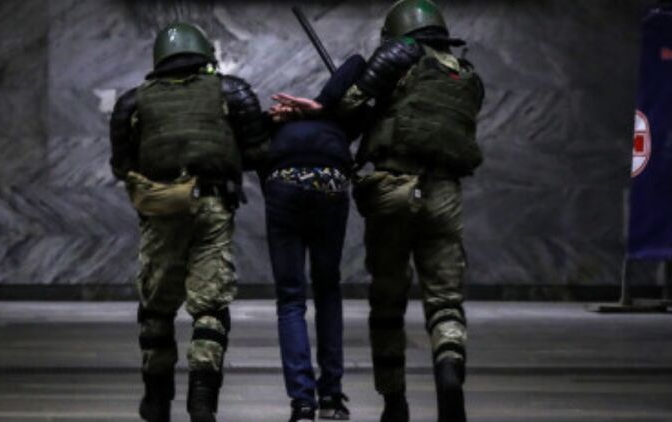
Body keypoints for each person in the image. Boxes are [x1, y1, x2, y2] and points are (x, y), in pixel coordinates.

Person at [271, 1, 485, 421]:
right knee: (445, 300)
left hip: (394, 188)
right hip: (444, 192)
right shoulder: (466, 76)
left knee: (388, 302)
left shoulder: (396, 55)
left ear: (396, 32)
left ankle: (394, 402)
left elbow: (349, 106)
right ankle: (448, 366)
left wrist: (327, 107)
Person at [109, 22, 267, 422]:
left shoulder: (132, 102)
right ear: (204, 54)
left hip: (161, 209)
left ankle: (156, 399)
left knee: (156, 308)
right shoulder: (231, 91)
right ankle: (202, 402)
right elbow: (257, 151)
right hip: (212, 205)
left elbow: (122, 164)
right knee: (210, 306)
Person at [265, 56, 367, 422]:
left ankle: (302, 403)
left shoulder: (276, 127)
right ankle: (332, 397)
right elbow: (357, 63)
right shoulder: (343, 121)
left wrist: (279, 119)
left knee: (290, 298)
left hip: (284, 183)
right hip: (330, 183)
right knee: (327, 290)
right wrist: (323, 104)